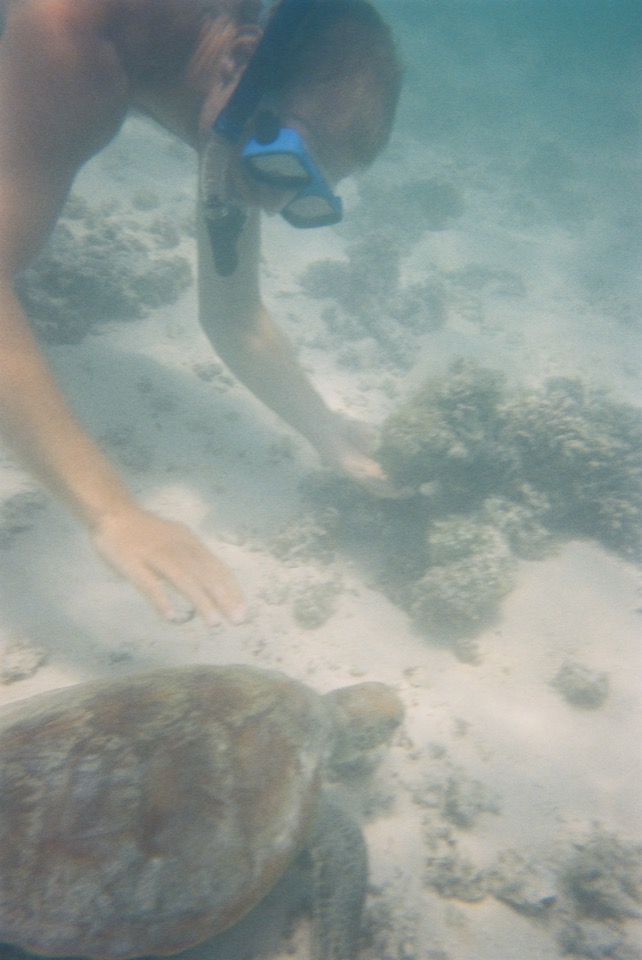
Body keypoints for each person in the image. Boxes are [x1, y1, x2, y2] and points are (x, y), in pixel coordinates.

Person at [0, 0, 402, 626]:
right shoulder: (73, 33)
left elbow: (234, 317)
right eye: (288, 161)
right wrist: (113, 512)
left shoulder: (244, 107)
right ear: (237, 59)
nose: (273, 203)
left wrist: (325, 429)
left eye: (307, 191)